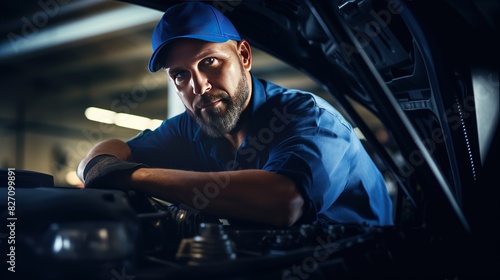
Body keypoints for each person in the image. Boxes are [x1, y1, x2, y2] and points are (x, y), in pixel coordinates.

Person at [77, 2, 393, 227]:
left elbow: (285, 202)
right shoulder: (191, 126)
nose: (198, 87)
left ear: (243, 55)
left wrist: (135, 176)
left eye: (209, 62)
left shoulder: (309, 118)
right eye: (180, 75)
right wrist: (98, 165)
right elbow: (113, 151)